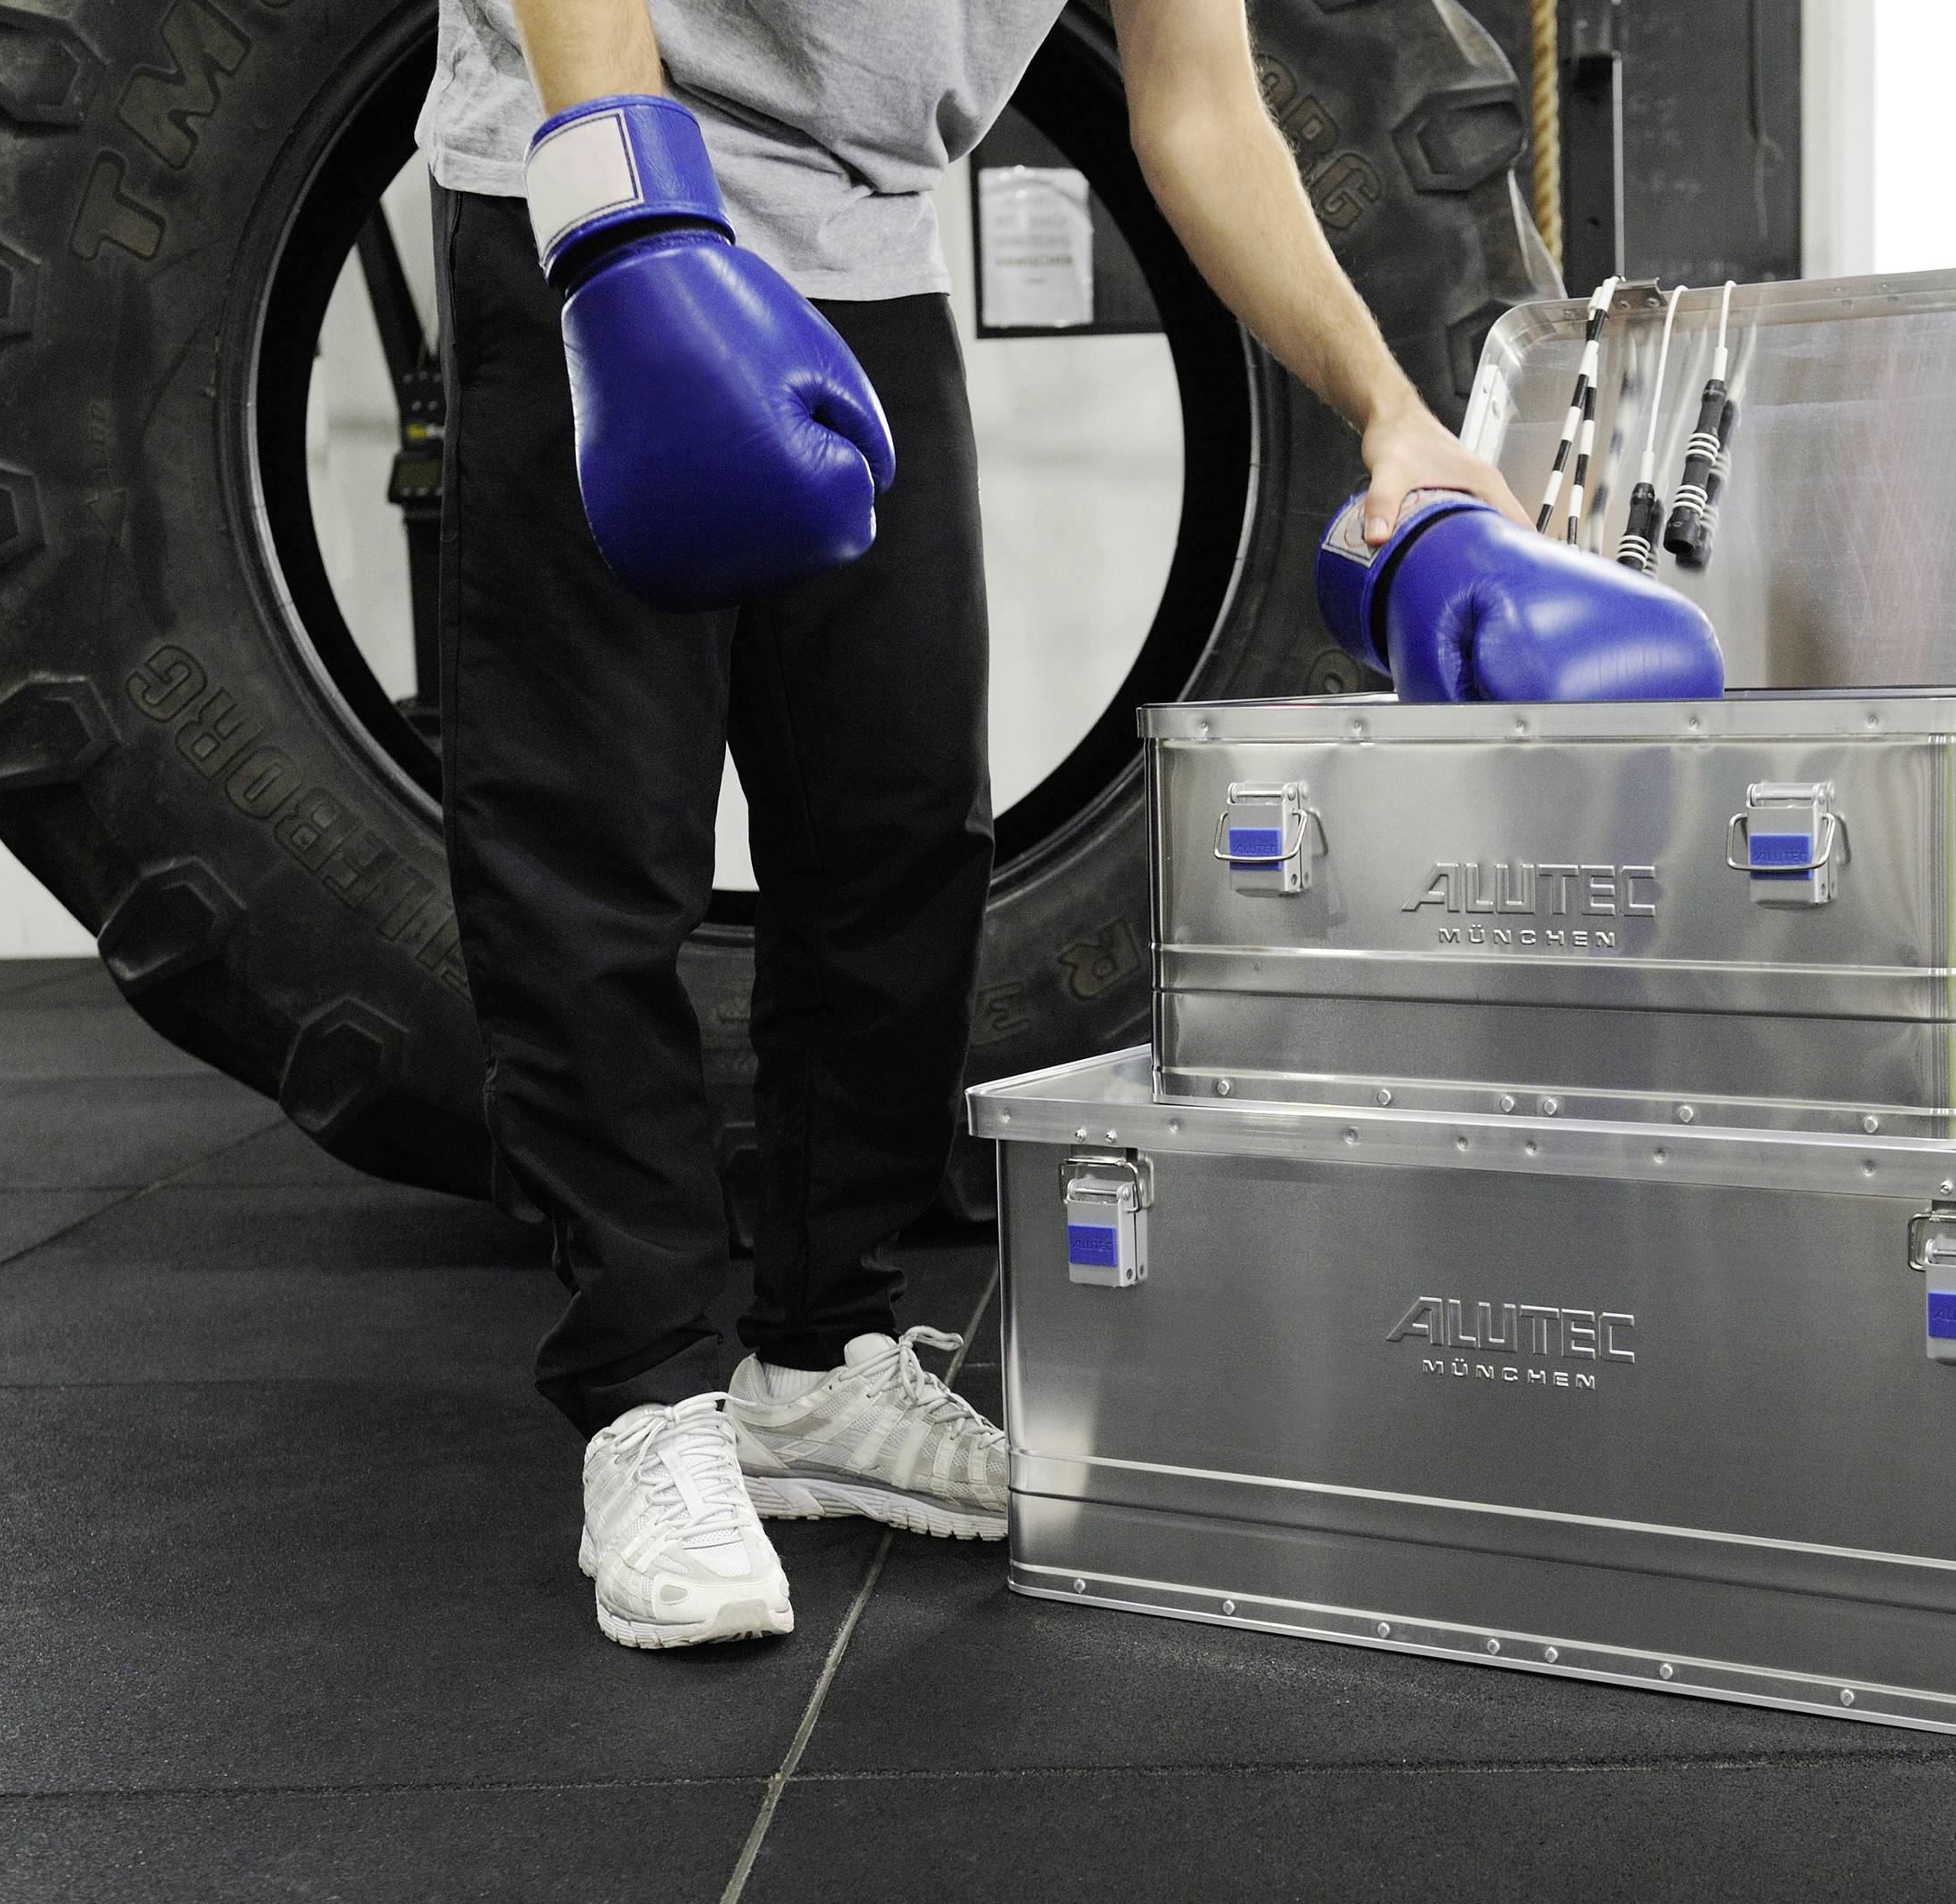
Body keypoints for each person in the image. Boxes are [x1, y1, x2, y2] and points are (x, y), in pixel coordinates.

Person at [417, 0, 1529, 1648]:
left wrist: (1387, 408)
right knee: (595, 834)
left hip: (869, 250)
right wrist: (637, 236)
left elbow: (1202, 109)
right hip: (581, 185)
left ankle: (815, 1362)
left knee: (898, 830)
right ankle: (645, 1396)